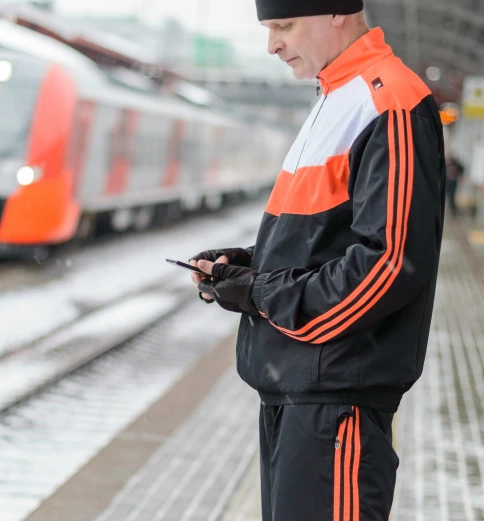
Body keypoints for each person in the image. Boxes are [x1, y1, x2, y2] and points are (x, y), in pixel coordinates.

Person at [188, 2, 446, 520]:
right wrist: (242, 268)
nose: (273, 45)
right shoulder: (337, 98)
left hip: (335, 405)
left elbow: (388, 263)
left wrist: (261, 293)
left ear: (335, 12)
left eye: (283, 26)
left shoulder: (388, 102)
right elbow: (322, 243)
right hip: (299, 397)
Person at [445, 151, 465, 218]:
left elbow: (462, 169)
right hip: (448, 183)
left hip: (453, 183)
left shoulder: (457, 164)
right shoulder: (447, 164)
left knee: (452, 197)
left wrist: (460, 176)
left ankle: (453, 211)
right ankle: (451, 209)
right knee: (449, 197)